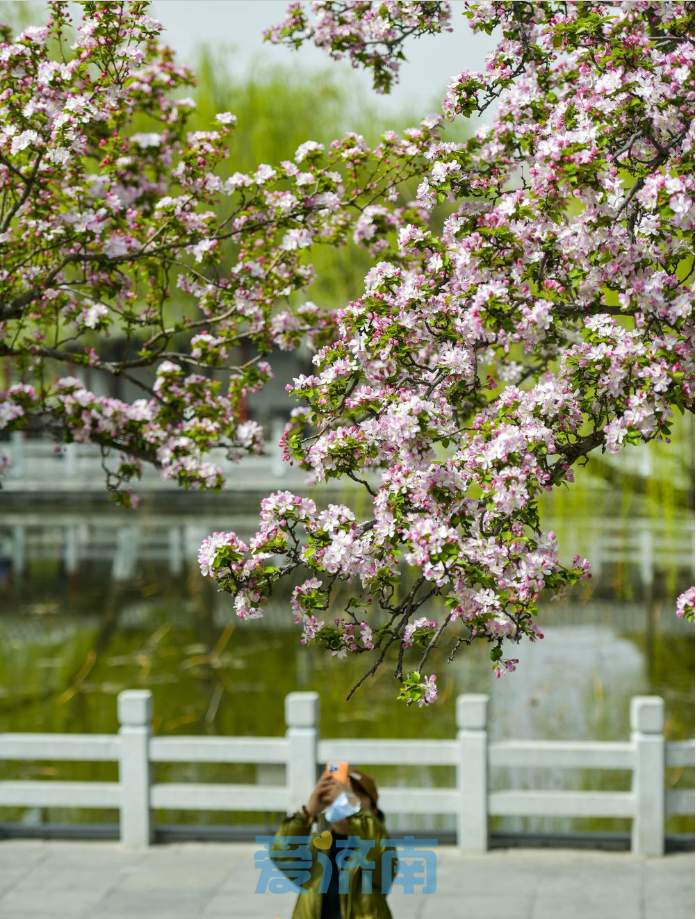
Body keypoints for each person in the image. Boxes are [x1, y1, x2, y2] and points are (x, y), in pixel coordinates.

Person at [270, 766, 397, 919]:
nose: (342, 799)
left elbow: (379, 847)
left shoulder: (376, 851)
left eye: (354, 794)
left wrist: (353, 810)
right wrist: (307, 813)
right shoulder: (317, 850)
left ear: (373, 810)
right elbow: (281, 854)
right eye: (336, 793)